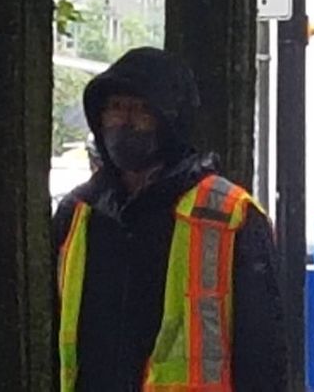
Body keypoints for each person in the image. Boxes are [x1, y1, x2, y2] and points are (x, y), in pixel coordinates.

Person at [53, 47, 287, 391]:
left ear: (171, 121)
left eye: (141, 110)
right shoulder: (79, 213)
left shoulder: (229, 216)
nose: (125, 121)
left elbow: (263, 356)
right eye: (115, 108)